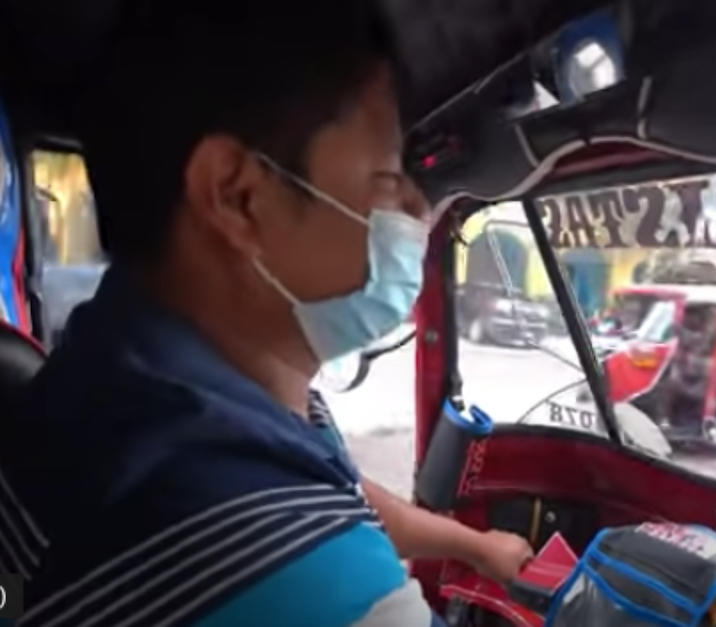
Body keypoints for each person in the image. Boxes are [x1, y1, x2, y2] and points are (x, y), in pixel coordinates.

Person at [0, 3, 531, 626]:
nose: (418, 210)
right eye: (387, 176)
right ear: (237, 196)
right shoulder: (300, 578)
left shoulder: (124, 386)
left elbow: (340, 498)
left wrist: (476, 546)